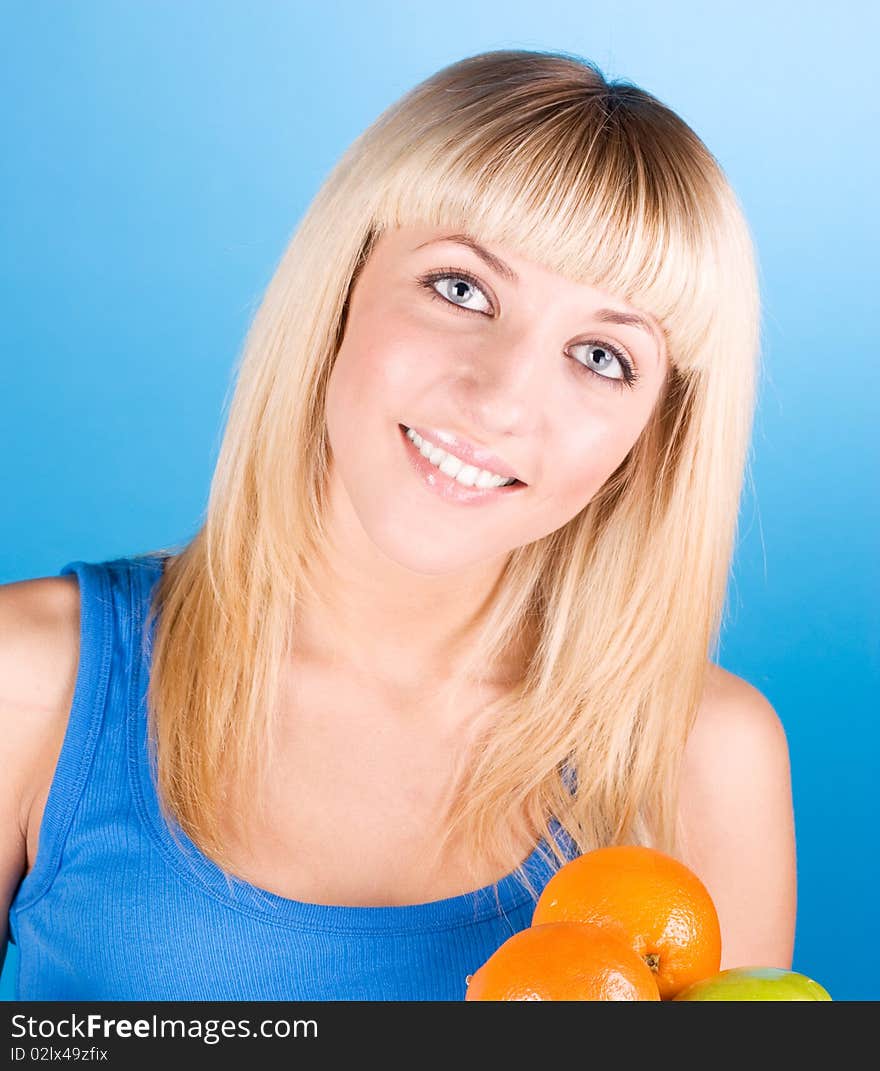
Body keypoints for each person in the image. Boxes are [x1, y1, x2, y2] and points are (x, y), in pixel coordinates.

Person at [0, 48, 796, 1000]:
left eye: (600, 354)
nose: (499, 398)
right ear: (340, 291)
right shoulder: (31, 682)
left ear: (654, 437)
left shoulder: (707, 761)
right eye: (461, 289)